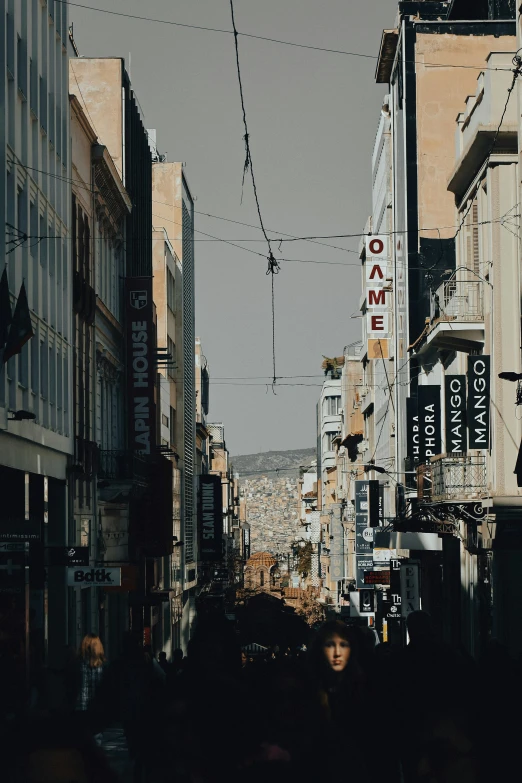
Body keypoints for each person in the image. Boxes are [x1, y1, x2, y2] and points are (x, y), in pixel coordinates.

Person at [74, 634, 107, 746]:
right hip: (98, 709)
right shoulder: (103, 667)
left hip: (80, 708)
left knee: (80, 740)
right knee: (96, 740)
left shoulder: (78, 664)